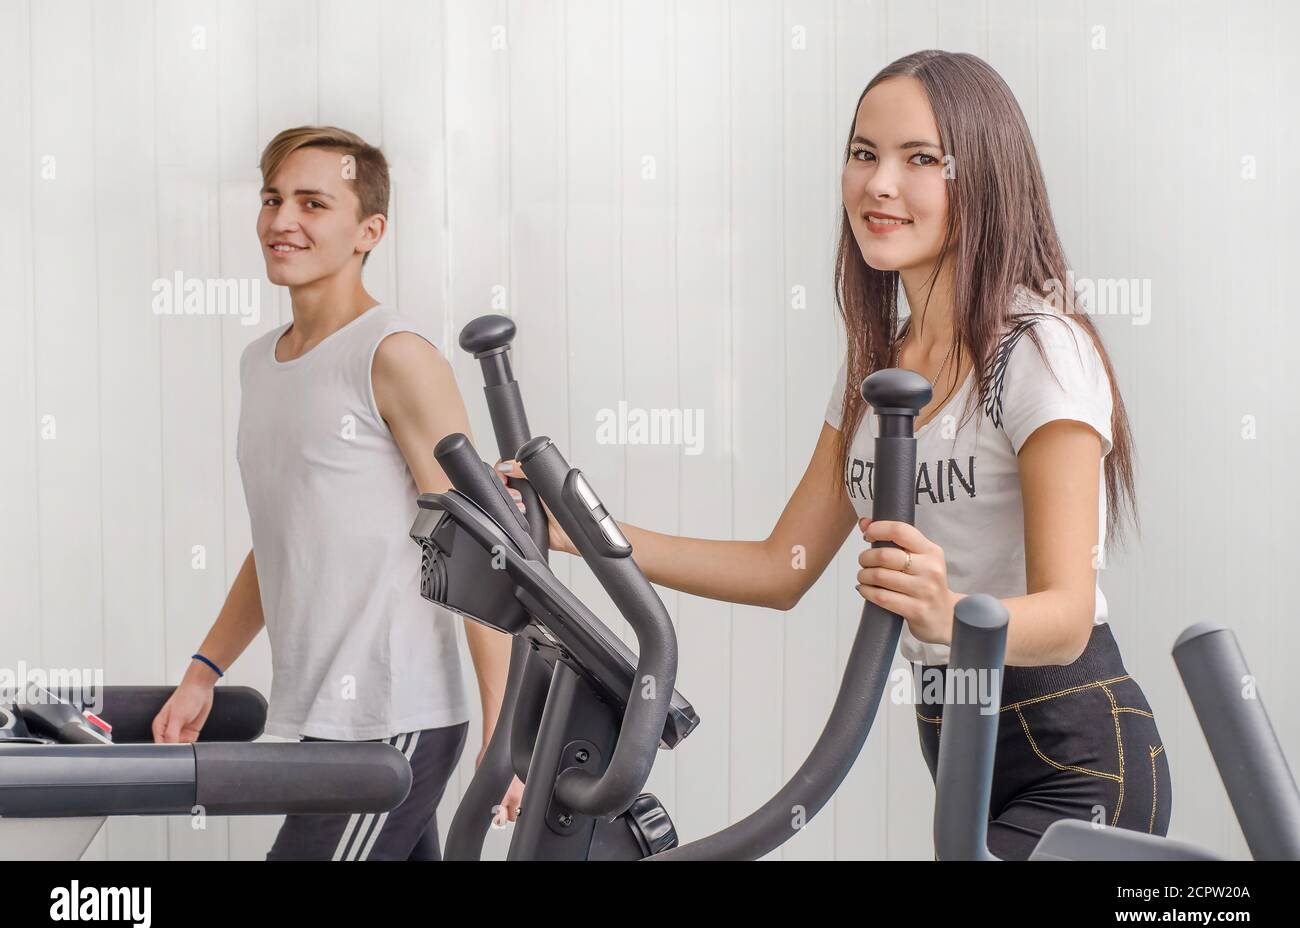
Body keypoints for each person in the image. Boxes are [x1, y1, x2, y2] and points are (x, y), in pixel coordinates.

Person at [496, 51, 1170, 859]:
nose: (880, 184)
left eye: (921, 158)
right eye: (863, 154)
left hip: (1078, 750)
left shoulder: (1039, 350)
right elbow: (780, 568)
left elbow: (1064, 617)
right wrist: (577, 528)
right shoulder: (875, 366)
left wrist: (951, 612)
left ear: (983, 175)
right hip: (959, 734)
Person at [152, 126, 523, 860]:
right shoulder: (261, 364)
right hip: (327, 718)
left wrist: (503, 732)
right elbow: (284, 542)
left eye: (313, 203)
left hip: (394, 719)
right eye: (272, 198)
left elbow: (479, 543)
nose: (282, 220)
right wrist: (204, 671)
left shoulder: (395, 356)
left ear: (368, 230)